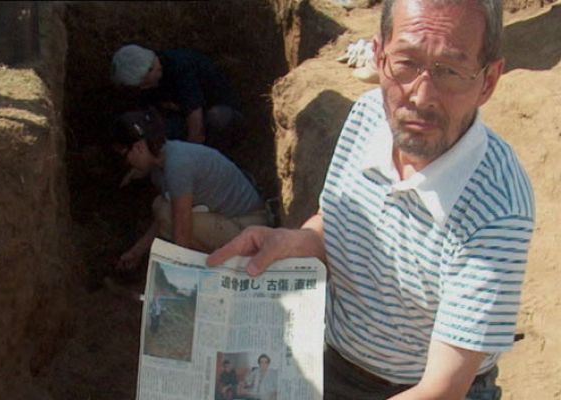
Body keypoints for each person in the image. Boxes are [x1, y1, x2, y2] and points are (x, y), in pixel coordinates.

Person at [207, 0, 535, 399]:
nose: (421, 95)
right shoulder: (365, 117)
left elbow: (443, 388)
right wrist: (298, 240)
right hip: (335, 361)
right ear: (379, 57)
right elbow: (335, 222)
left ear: (488, 81)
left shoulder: (498, 205)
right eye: (407, 62)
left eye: (450, 70)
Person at [111, 106, 268, 271]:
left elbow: (182, 230)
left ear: (138, 148)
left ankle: (212, 268)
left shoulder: (178, 165)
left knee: (167, 215)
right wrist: (137, 251)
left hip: (250, 227)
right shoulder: (162, 163)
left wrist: (178, 275)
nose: (128, 163)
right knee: (161, 207)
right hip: (230, 220)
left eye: (124, 155)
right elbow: (167, 217)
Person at [111, 44, 244, 151]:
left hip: (220, 114)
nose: (142, 88)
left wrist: (190, 158)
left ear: (151, 69)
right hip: (182, 117)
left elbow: (195, 120)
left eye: (143, 83)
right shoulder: (148, 80)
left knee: (217, 117)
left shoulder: (180, 68)